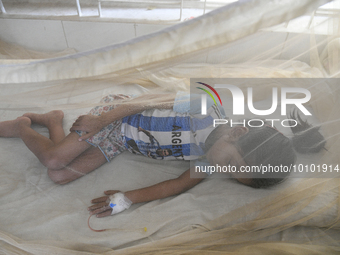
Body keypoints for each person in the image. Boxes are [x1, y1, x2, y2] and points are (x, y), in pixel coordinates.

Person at [0, 92, 325, 218]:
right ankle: (20, 128)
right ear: (237, 132)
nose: (217, 167)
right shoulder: (203, 109)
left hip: (119, 143)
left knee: (58, 175)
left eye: (228, 173)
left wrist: (127, 198)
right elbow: (149, 99)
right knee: (54, 160)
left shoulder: (206, 162)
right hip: (116, 117)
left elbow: (175, 187)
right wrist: (101, 120)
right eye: (227, 162)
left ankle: (54, 121)